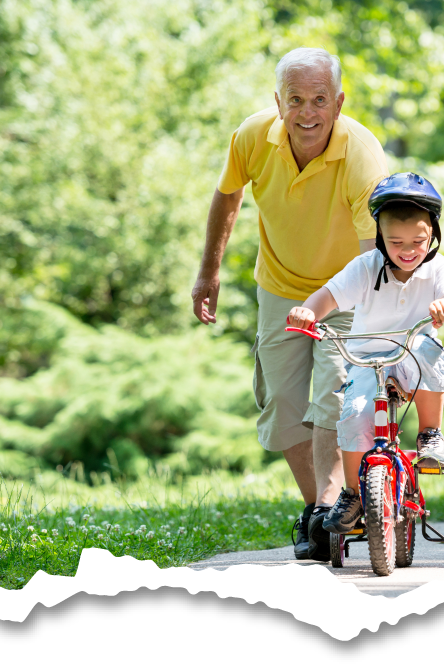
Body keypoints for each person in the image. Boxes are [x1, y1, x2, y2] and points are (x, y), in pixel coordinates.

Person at [191, 47, 389, 561]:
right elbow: (228, 195)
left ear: (339, 102)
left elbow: (374, 254)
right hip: (279, 287)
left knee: (331, 397)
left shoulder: (361, 155)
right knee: (282, 405)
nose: (307, 113)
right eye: (296, 99)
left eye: (319, 99)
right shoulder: (254, 137)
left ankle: (328, 509)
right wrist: (209, 270)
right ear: (278, 101)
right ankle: (319, 513)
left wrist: (373, 318)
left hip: (345, 290)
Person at [284, 173, 444, 534]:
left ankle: (430, 434)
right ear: (380, 237)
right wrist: (308, 311)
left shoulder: (438, 268)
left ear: (432, 235)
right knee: (353, 416)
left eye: (418, 240)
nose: (408, 249)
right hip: (368, 359)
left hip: (413, 355)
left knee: (428, 349)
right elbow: (328, 296)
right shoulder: (366, 267)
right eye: (396, 241)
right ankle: (353, 494)